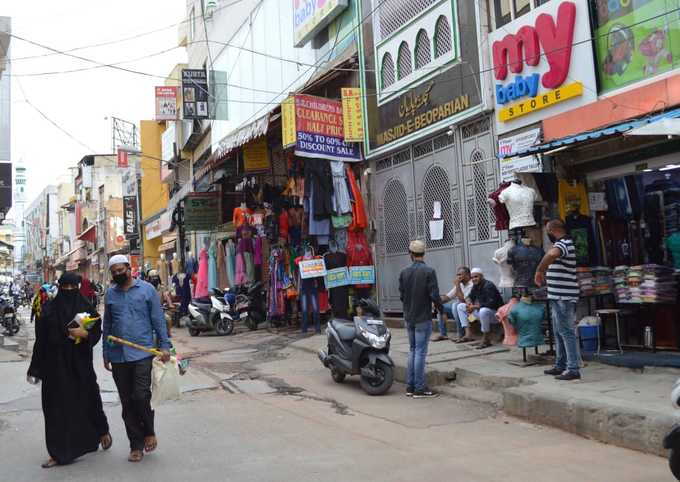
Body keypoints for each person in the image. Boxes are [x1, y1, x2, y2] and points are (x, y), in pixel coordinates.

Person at [27, 272, 111, 469]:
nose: (69, 292)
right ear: (60, 287)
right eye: (65, 288)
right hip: (54, 368)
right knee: (55, 408)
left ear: (78, 288)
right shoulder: (48, 310)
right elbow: (41, 341)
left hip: (80, 364)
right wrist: (35, 368)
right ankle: (58, 452)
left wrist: (85, 335)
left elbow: (97, 330)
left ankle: (101, 432)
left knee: (89, 399)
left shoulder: (86, 308)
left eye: (73, 288)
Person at [103, 255, 172, 463]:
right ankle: (136, 444)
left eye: (120, 270)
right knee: (126, 402)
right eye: (114, 272)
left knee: (141, 396)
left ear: (129, 268)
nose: (117, 274)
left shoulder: (147, 290)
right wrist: (106, 353)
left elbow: (158, 320)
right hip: (118, 356)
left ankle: (149, 432)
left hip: (143, 352)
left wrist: (165, 345)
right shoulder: (110, 295)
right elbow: (107, 325)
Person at [535, 219, 581, 381]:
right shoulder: (562, 244)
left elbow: (552, 254)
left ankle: (573, 368)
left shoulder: (564, 243)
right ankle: (560, 364)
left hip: (564, 297)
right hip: (557, 296)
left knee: (566, 332)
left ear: (552, 229)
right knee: (558, 332)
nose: (547, 234)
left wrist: (540, 270)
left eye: (547, 230)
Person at [399, 240, 441, 399]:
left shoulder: (404, 272)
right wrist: (440, 309)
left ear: (410, 253)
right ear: (424, 253)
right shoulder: (429, 271)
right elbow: (434, 295)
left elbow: (402, 295)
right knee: (420, 352)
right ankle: (419, 388)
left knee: (412, 350)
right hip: (423, 317)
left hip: (409, 316)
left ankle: (410, 386)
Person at [456, 268, 504, 349]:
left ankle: (486, 339)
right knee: (460, 307)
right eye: (473, 277)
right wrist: (469, 303)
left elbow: (490, 304)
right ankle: (468, 334)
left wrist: (474, 307)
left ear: (482, 276)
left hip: (495, 315)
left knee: (483, 311)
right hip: (481, 315)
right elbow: (470, 297)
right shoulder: (476, 286)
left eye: (476, 277)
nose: (474, 279)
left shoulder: (489, 286)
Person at [434, 267, 474, 342]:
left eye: (460, 275)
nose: (458, 277)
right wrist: (436, 302)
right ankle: (443, 334)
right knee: (441, 306)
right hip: (462, 314)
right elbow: (447, 297)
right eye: (457, 275)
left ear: (468, 275)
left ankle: (460, 334)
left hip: (472, 316)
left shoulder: (472, 285)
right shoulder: (460, 285)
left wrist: (457, 285)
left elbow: (463, 301)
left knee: (456, 305)